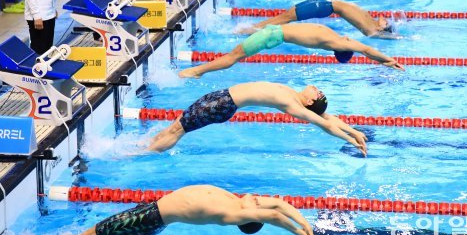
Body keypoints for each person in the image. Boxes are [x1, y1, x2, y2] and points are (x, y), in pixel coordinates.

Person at [10, 185, 318, 235]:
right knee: (91, 234)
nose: (258, 197)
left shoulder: (234, 212)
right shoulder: (235, 201)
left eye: (257, 204)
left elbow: (273, 215)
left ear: (249, 216)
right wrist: (303, 221)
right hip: (153, 215)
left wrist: (299, 233)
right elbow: (278, 205)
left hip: (146, 218)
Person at [148, 82, 367, 154]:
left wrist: (350, 140)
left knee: (178, 129)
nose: (317, 90)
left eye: (318, 95)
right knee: (177, 125)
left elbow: (324, 124)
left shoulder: (294, 105)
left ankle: (146, 152)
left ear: (310, 102)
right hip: (222, 98)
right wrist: (356, 131)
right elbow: (329, 117)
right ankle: (148, 146)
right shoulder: (294, 94)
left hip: (222, 104)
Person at [179, 22, 404, 79]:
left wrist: (387, 60)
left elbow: (365, 49)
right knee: (233, 57)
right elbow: (363, 49)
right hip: (271, 33)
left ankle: (197, 70)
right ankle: (197, 71)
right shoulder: (333, 37)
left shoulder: (338, 42)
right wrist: (386, 60)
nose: (350, 39)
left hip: (271, 35)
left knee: (233, 57)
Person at [240, 0, 396, 38]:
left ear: (381, 28)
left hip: (323, 6)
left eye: (387, 22)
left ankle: (250, 31)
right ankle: (254, 27)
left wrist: (394, 35)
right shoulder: (370, 20)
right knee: (285, 16)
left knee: (286, 17)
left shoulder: (370, 28)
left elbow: (379, 35)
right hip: (324, 3)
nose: (386, 19)